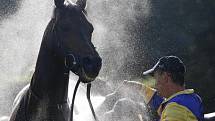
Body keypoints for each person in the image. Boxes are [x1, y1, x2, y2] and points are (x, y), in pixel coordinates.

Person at [121, 55, 204, 121]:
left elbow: (171, 109)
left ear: (165, 77)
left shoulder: (175, 108)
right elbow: (158, 102)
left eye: (156, 79)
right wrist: (138, 87)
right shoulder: (189, 98)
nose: (155, 84)